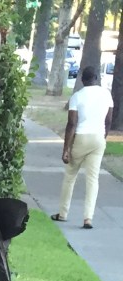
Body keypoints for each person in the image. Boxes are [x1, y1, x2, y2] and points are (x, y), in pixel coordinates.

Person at [53, 64, 115, 229]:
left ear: (82, 79)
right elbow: (109, 120)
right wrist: (103, 137)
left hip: (81, 137)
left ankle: (63, 213)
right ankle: (88, 218)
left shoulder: (77, 96)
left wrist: (66, 149)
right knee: (93, 179)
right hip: (98, 138)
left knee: (70, 176)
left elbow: (71, 124)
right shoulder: (106, 94)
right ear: (97, 78)